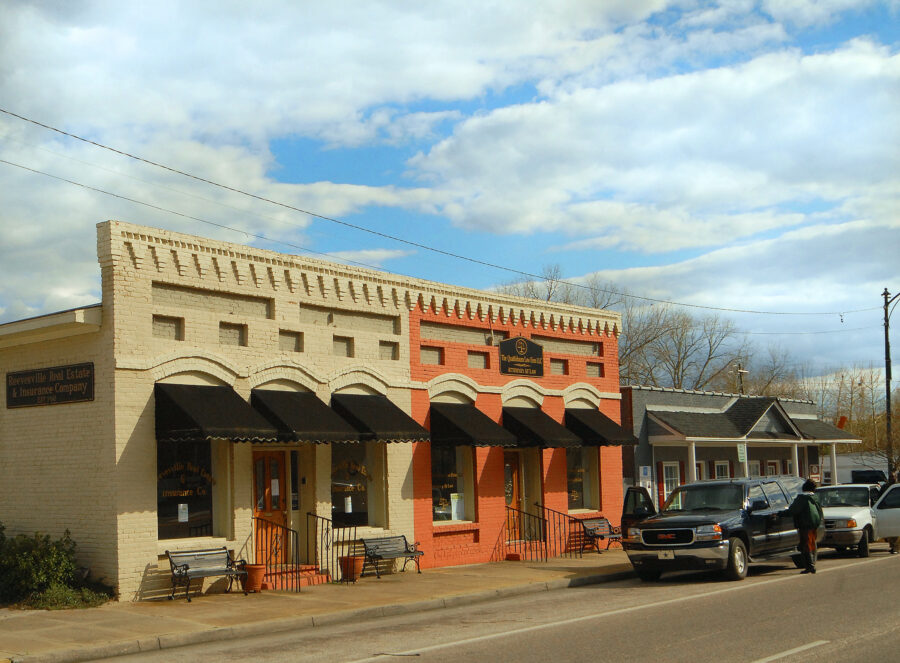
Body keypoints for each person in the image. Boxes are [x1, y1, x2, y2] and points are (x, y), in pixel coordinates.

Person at [788, 479, 824, 574]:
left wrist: (779, 514)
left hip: (805, 524)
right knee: (810, 544)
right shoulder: (815, 498)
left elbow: (792, 510)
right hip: (814, 524)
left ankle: (810, 566)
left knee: (805, 545)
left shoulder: (802, 499)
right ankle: (810, 565)